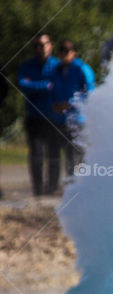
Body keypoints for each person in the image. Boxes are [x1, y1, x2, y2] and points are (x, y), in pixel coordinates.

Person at [17, 31, 62, 195]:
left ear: (50, 45)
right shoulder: (26, 66)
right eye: (36, 45)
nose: (40, 48)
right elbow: (23, 85)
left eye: (43, 44)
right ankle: (37, 189)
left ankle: (52, 189)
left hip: (53, 117)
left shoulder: (58, 66)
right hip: (34, 117)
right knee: (36, 154)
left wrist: (36, 85)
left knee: (54, 154)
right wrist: (46, 86)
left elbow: (59, 87)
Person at [52, 39, 95, 178]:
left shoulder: (82, 68)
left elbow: (90, 93)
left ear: (74, 53)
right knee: (68, 154)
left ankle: (83, 182)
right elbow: (52, 90)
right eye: (61, 51)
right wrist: (54, 104)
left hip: (79, 118)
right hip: (62, 118)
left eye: (67, 51)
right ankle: (71, 182)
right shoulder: (56, 70)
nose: (64, 54)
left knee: (81, 153)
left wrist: (70, 103)